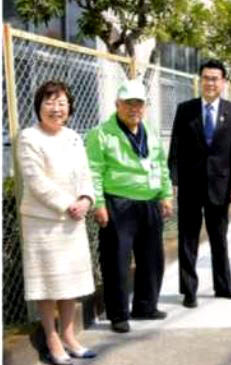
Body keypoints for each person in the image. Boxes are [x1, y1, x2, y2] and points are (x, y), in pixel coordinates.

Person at [17, 81, 97, 365]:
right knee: (49, 283)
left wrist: (86, 199)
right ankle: (52, 339)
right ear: (39, 106)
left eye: (62, 103)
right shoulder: (29, 137)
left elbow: (86, 174)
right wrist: (68, 204)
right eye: (49, 102)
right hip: (44, 222)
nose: (56, 108)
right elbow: (36, 180)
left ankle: (69, 335)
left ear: (69, 108)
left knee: (69, 283)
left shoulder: (74, 137)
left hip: (73, 220)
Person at [86, 79, 173, 334]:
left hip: (149, 202)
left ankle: (146, 306)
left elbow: (160, 165)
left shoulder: (151, 131)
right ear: (117, 105)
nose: (134, 108)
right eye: (128, 103)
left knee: (152, 258)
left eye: (139, 104)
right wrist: (99, 204)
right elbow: (93, 172)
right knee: (117, 261)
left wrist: (165, 195)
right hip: (118, 203)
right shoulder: (101, 134)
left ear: (144, 107)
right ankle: (118, 314)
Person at [168, 59, 231, 308]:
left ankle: (224, 286)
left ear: (223, 83)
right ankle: (189, 291)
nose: (210, 83)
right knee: (187, 239)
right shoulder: (185, 110)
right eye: (206, 78)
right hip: (190, 185)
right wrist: (174, 179)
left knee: (219, 238)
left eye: (215, 78)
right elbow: (176, 147)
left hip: (220, 187)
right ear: (200, 81)